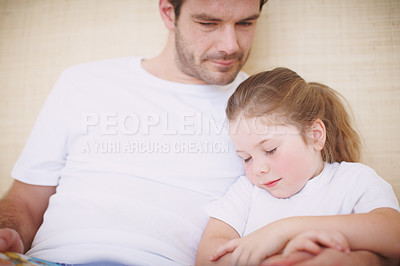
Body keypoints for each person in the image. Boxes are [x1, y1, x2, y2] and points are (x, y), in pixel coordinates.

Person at [0, 0, 398, 265]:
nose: (230, 44)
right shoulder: (83, 82)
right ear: (168, 13)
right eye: (208, 22)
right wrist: (6, 233)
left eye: (245, 23)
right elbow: (26, 201)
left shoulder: (263, 109)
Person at [195, 67, 400, 266]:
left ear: (315, 135)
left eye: (270, 150)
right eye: (246, 157)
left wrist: (285, 230)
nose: (258, 169)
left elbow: (393, 234)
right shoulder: (247, 192)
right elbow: (207, 256)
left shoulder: (354, 180)